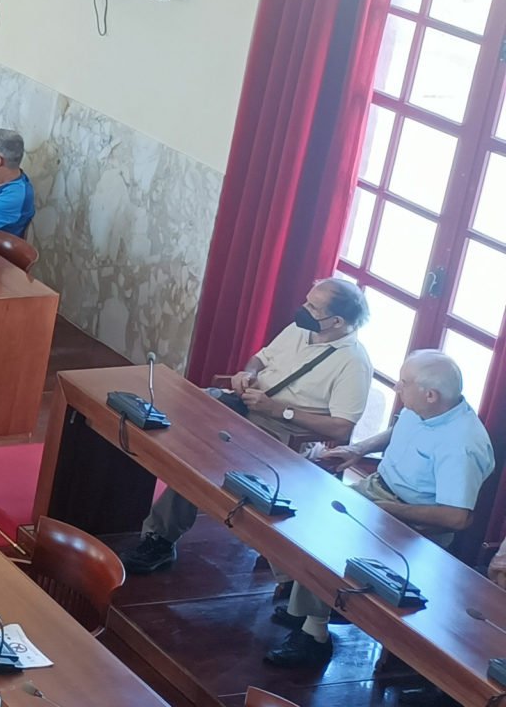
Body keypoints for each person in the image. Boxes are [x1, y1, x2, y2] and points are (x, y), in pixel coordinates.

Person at [123, 277, 374, 576]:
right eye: (307, 301)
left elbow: (341, 428)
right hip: (244, 405)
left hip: (281, 432)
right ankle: (125, 500)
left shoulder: (354, 363)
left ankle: (160, 539)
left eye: (313, 307)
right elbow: (260, 359)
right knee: (175, 405)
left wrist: (281, 411)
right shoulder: (301, 329)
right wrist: (248, 373)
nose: (303, 309)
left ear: (336, 321)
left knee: (201, 454)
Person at [263, 350, 493, 669]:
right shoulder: (427, 407)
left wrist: (387, 510)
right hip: (378, 491)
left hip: (413, 521)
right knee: (292, 511)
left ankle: (314, 634)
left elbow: (457, 517)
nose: (397, 387)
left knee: (324, 539)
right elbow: (400, 431)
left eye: (404, 382)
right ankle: (307, 598)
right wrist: (358, 449)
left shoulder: (462, 443)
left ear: (430, 394)